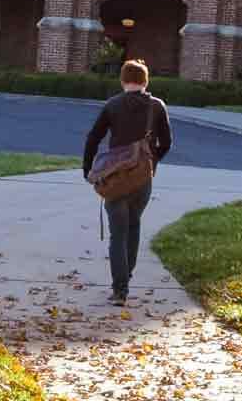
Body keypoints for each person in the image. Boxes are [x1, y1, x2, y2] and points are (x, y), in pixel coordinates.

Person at [82, 60, 174, 306]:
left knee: (117, 234)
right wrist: (151, 162)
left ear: (123, 81)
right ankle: (126, 277)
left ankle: (119, 290)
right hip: (143, 178)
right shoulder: (157, 106)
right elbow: (166, 142)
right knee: (133, 226)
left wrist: (88, 168)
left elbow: (93, 138)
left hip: (115, 178)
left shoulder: (112, 105)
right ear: (145, 81)